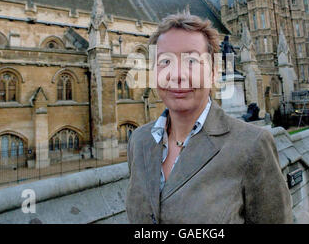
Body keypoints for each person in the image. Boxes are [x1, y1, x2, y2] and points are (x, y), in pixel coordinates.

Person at [126, 13, 293, 224]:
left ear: (214, 73)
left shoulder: (252, 145)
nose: (177, 74)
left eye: (192, 61)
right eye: (165, 61)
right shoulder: (139, 141)